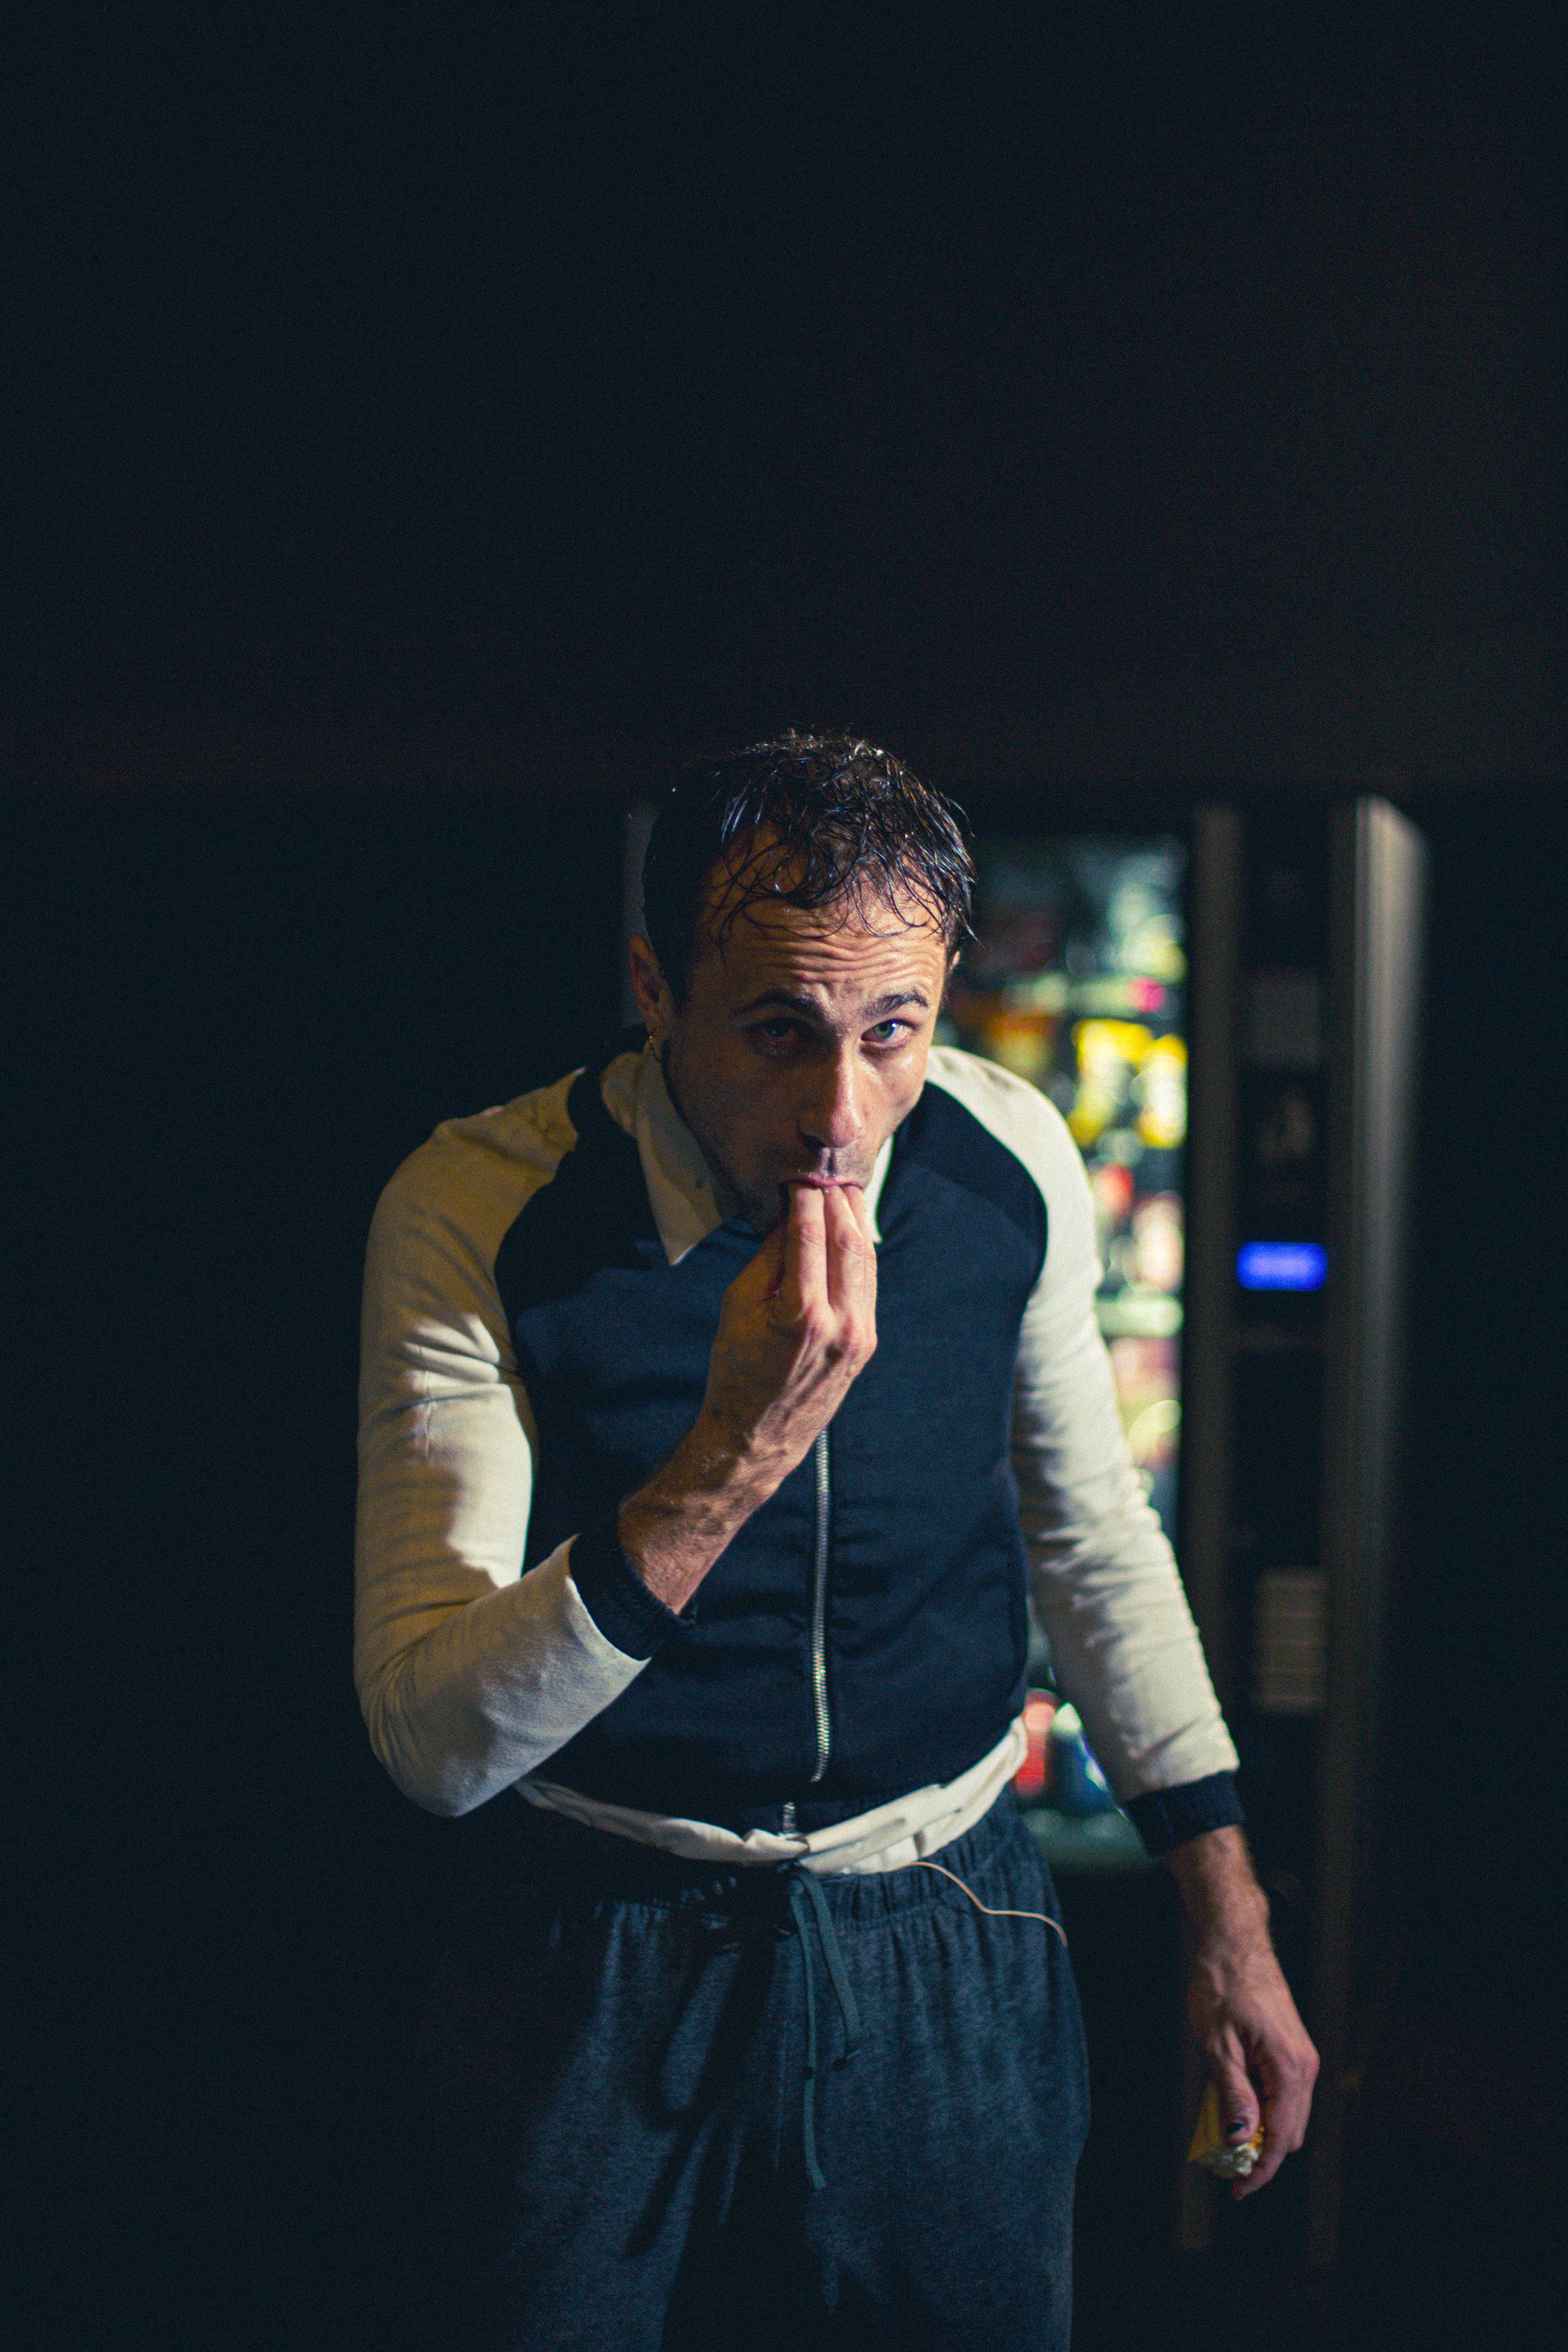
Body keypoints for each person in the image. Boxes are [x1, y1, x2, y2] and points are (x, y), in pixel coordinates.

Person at [354, 734, 1317, 2351]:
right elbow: (432, 1745)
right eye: (779, 1032)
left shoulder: (1009, 1158)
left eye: (894, 1033)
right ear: (655, 992)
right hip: (600, 1936)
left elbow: (1095, 1540)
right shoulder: (478, 1206)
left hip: (947, 1917)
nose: (842, 1113)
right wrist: (730, 1456)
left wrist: (1231, 1915)